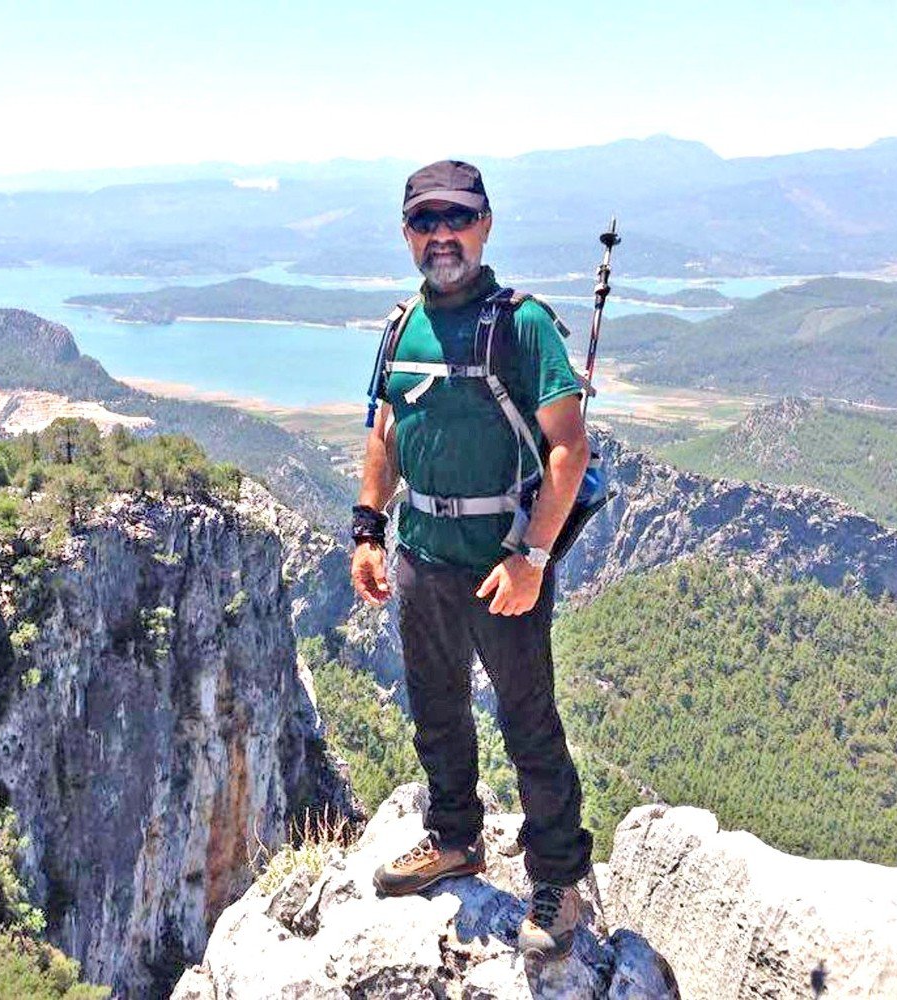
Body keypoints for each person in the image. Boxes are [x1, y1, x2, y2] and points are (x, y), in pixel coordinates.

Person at [350, 159, 592, 960]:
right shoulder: (399, 329)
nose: (441, 235)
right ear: (407, 234)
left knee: (529, 723)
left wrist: (531, 556)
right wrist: (366, 530)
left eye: (456, 218)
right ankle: (455, 838)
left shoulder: (520, 325)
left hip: (502, 565)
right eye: (425, 222)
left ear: (484, 225)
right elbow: (385, 435)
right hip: (421, 554)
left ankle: (557, 882)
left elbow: (568, 450)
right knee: (437, 712)